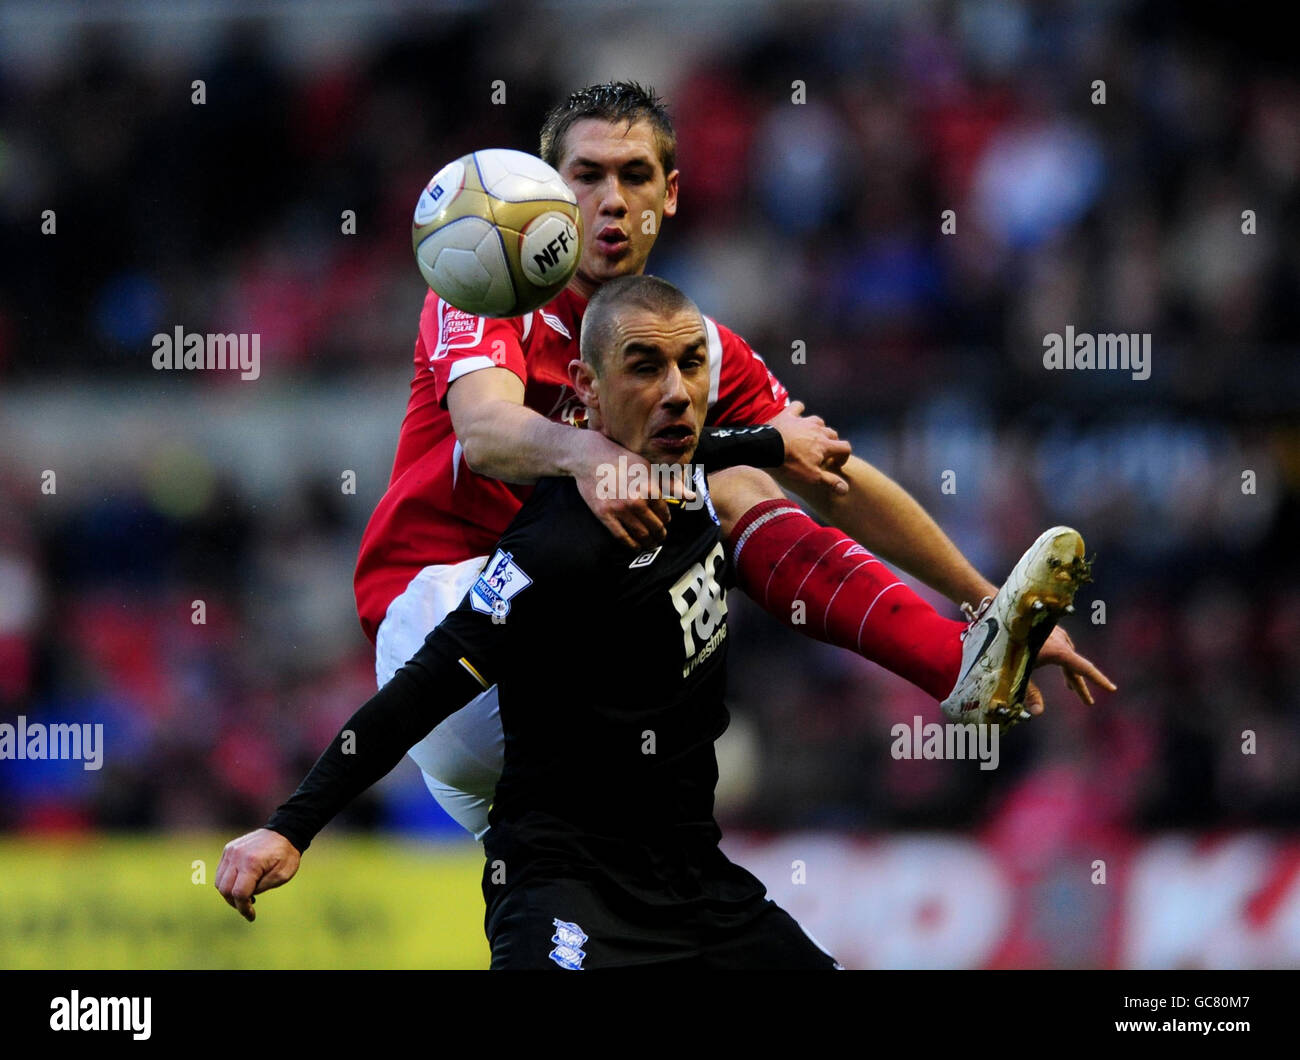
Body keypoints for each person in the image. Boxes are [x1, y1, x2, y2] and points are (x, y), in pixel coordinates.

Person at [353, 81, 1114, 838]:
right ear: (551, 193)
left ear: (672, 193)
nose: (612, 200)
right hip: (447, 637)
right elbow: (486, 430)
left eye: (635, 175)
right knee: (725, 480)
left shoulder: (694, 348)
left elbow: (835, 480)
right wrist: (591, 454)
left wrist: (986, 600)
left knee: (594, 929)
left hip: (549, 711)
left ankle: (960, 662)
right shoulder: (491, 286)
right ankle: (935, 668)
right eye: (587, 176)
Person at [218, 277, 847, 968]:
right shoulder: (555, 544)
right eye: (644, 366)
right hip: (570, 895)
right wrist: (289, 828)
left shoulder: (682, 464)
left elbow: (706, 448)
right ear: (586, 388)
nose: (675, 391)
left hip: (701, 890)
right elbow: (421, 688)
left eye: (691, 364)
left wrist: (772, 439)